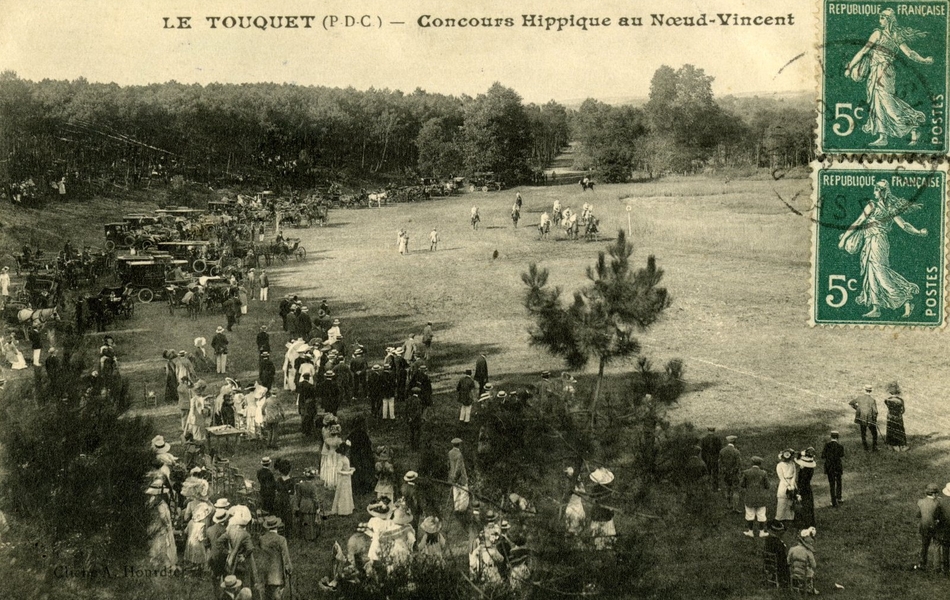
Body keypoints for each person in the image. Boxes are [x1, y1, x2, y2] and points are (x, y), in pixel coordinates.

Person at [838, 181, 927, 319]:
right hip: (869, 242)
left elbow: (904, 225)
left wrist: (918, 232)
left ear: (882, 191)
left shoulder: (887, 208)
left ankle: (906, 299)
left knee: (880, 273)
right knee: (871, 273)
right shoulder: (873, 205)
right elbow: (858, 222)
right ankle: (876, 307)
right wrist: (844, 238)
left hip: (879, 242)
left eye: (876, 190)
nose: (874, 192)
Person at [844, 7, 932, 147]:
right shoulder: (877, 34)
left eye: (883, 17)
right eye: (880, 16)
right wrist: (850, 67)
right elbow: (863, 51)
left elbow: (909, 53)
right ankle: (883, 136)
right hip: (875, 71)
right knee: (877, 102)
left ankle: (913, 126)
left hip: (886, 72)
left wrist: (923, 60)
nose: (881, 19)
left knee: (887, 101)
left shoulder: (896, 35)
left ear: (890, 19)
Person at [258, 515, 293, 600]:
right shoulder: (281, 539)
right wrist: (289, 568)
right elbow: (285, 556)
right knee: (277, 596)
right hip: (277, 574)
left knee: (267, 595)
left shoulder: (262, 539)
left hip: (265, 573)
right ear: (277, 526)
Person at [145, 479, 177, 569]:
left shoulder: (152, 501)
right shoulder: (161, 505)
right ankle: (165, 564)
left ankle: (157, 562)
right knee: (164, 545)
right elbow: (163, 517)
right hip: (162, 527)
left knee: (157, 544)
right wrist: (167, 525)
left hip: (155, 525)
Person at [740, 456, 770, 538]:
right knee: (761, 514)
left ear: (752, 463)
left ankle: (750, 531)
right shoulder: (763, 473)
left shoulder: (746, 472)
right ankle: (761, 532)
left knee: (749, 514)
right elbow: (767, 486)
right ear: (760, 464)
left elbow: (742, 484)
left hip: (750, 496)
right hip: (761, 497)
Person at [347, 416, 376, 496]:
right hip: (363, 456)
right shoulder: (363, 434)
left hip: (355, 455)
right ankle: (364, 487)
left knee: (356, 471)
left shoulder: (352, 434)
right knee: (363, 471)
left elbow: (347, 443)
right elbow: (368, 445)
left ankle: (356, 488)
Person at [915, 483, 941, 572]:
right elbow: (940, 515)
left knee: (924, 545)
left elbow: (918, 515)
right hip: (935, 527)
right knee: (936, 545)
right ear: (934, 494)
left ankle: (922, 564)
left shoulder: (920, 502)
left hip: (924, 527)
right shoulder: (938, 503)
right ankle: (937, 567)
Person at [787, 527, 818, 594]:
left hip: (794, 572)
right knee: (811, 572)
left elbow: (788, 561)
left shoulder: (792, 549)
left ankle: (798, 585)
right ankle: (809, 588)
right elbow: (814, 565)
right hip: (805, 573)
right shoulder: (808, 552)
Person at [294, 468, 322, 541]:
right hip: (310, 504)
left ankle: (303, 535)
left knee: (304, 520)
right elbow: (315, 498)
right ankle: (310, 536)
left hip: (303, 503)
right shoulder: (313, 486)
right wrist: (318, 506)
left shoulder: (300, 485)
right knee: (311, 521)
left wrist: (298, 505)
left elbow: (298, 496)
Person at [849, 385, 879, 451]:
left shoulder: (859, 398)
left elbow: (851, 403)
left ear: (864, 390)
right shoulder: (872, 400)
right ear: (871, 391)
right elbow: (875, 411)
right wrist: (875, 419)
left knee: (863, 432)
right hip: (870, 418)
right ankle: (874, 447)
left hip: (861, 418)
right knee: (874, 433)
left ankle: (865, 448)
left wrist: (857, 409)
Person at [820, 431, 845, 507]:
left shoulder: (827, 446)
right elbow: (842, 455)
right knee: (839, 482)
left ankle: (833, 500)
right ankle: (839, 497)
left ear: (831, 437)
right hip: (837, 466)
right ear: (837, 437)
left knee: (832, 484)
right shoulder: (840, 446)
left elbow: (823, 456)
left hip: (829, 467)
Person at [776, 449, 799, 528]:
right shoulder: (779, 465)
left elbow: (794, 474)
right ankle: (779, 518)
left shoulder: (792, 464)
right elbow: (781, 477)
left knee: (791, 501)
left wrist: (792, 484)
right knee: (782, 501)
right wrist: (787, 486)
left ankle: (790, 518)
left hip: (792, 482)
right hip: (783, 484)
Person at [331, 443, 356, 516]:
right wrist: (349, 473)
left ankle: (348, 508)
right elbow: (338, 471)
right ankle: (343, 511)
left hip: (347, 479)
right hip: (343, 479)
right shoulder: (341, 459)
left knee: (347, 492)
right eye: (347, 450)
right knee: (343, 493)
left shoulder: (345, 458)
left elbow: (346, 467)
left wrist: (351, 469)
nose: (348, 452)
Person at [795, 448, 817, 528]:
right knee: (809, 505)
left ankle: (806, 523)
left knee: (805, 505)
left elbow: (802, 482)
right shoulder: (809, 469)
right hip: (807, 488)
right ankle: (810, 522)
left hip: (804, 488)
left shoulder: (804, 471)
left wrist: (799, 492)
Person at [719, 435, 742, 512]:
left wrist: (724, 471)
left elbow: (720, 463)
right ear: (734, 442)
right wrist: (734, 471)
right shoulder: (736, 452)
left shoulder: (722, 451)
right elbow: (738, 464)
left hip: (726, 473)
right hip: (734, 474)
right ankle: (735, 508)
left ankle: (728, 504)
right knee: (735, 490)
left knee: (727, 488)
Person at [884, 381, 907, 451]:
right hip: (898, 417)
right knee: (899, 430)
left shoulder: (887, 400)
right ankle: (901, 445)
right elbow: (903, 410)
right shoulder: (901, 400)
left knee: (891, 430)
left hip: (890, 417)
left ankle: (891, 445)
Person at [449, 438, 470, 513]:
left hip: (453, 476)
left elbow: (451, 466)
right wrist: (456, 476)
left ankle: (457, 508)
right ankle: (462, 510)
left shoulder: (450, 453)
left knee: (456, 492)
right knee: (464, 493)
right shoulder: (459, 454)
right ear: (459, 445)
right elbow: (458, 468)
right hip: (460, 477)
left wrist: (452, 477)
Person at [934, 482, 950, 574]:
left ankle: (945, 568)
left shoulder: (941, 502)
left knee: (945, 546)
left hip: (945, 527)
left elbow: (936, 515)